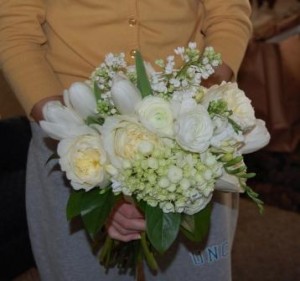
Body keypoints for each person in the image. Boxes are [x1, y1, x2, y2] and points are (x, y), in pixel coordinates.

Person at [0, 1, 252, 280]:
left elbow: (228, 13)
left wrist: (198, 109)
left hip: (189, 130)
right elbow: (14, 31)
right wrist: (76, 138)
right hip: (70, 135)